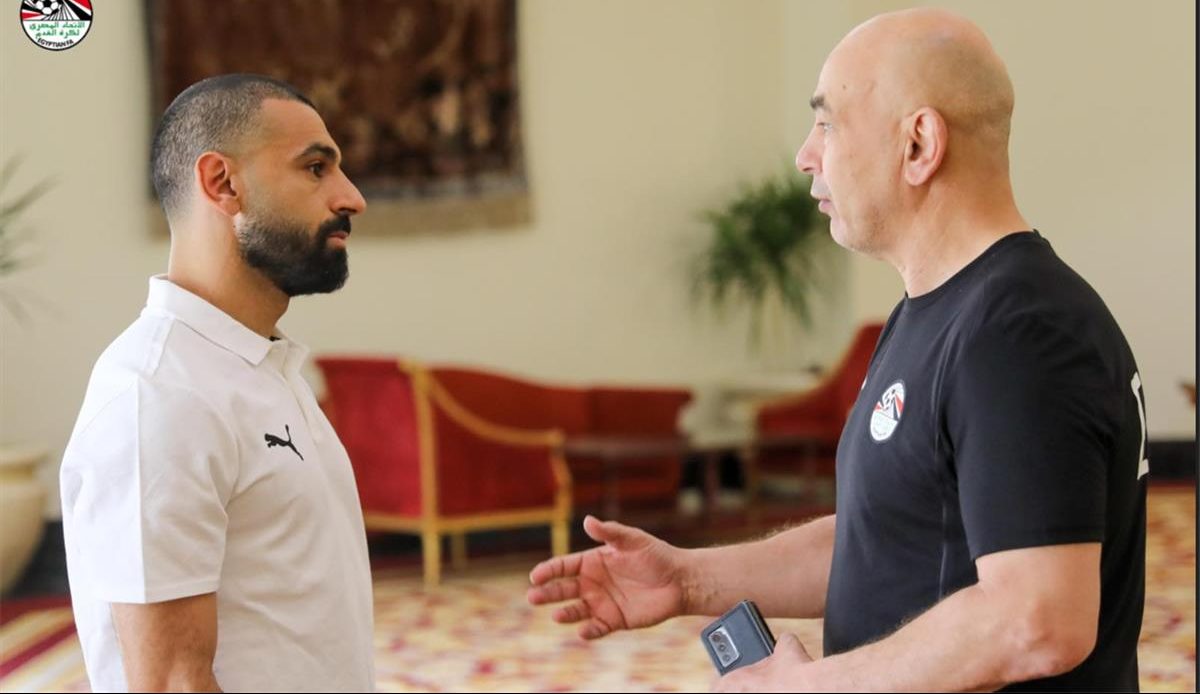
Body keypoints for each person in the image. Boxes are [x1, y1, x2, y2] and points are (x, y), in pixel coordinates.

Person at [527, 8, 1148, 692]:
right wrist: (686, 579)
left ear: (919, 145)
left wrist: (805, 686)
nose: (806, 155)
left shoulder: (1018, 332)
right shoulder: (944, 312)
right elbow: (881, 539)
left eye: (827, 124)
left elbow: (1037, 621)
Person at [59, 74, 374, 692]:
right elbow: (172, 683)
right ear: (222, 183)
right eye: (316, 168)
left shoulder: (262, 368)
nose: (352, 197)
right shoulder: (158, 397)